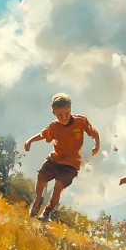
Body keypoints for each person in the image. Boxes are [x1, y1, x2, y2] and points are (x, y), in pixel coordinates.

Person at [24, 93, 100, 222]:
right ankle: (37, 200)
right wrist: (29, 141)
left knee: (58, 186)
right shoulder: (54, 127)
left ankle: (47, 213)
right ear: (54, 113)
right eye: (60, 115)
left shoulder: (80, 121)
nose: (64, 117)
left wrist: (97, 146)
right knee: (41, 180)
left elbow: (94, 132)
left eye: (67, 113)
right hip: (55, 159)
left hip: (71, 164)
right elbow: (43, 135)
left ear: (71, 109)